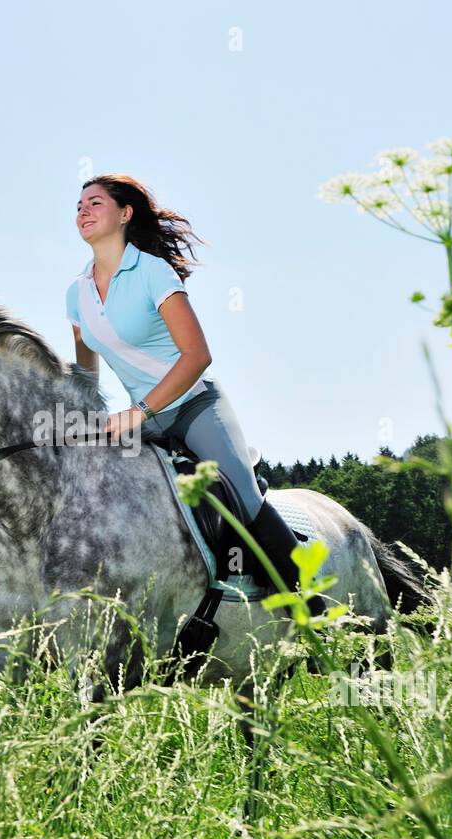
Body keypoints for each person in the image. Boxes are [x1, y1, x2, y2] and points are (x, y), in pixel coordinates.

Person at [66, 173, 302, 592]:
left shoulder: (152, 271)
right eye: (79, 205)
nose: (83, 210)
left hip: (195, 406)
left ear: (125, 214)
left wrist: (137, 412)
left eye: (95, 202)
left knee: (243, 499)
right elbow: (87, 375)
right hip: (142, 423)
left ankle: (309, 604)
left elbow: (197, 356)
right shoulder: (76, 294)